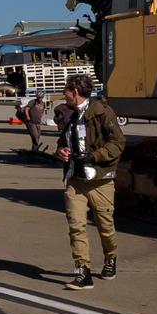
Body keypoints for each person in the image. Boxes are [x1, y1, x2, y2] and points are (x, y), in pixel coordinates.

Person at [56, 74, 124, 290]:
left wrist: (95, 156)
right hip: (75, 179)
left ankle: (110, 258)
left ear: (75, 92)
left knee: (105, 227)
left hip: (100, 180)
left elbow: (118, 143)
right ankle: (83, 272)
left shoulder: (102, 112)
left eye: (66, 90)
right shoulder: (68, 114)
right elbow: (62, 140)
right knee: (76, 226)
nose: (64, 95)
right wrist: (61, 151)